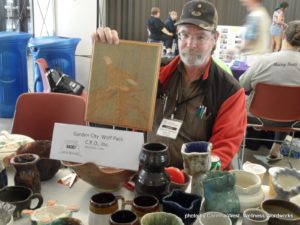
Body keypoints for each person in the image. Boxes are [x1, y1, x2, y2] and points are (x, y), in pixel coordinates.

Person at [92, 0, 247, 170]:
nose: (191, 44)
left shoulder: (229, 91)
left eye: (200, 37)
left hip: (191, 184)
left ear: (215, 39)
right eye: (185, 34)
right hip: (145, 171)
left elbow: (221, 151)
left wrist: (185, 180)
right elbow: (112, 91)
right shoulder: (154, 70)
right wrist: (104, 51)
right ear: (178, 35)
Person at [239, 20, 300, 161]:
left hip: (257, 117)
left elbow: (241, 85)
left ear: (284, 35)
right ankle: (275, 149)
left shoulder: (263, 61)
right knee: (289, 107)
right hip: (295, 120)